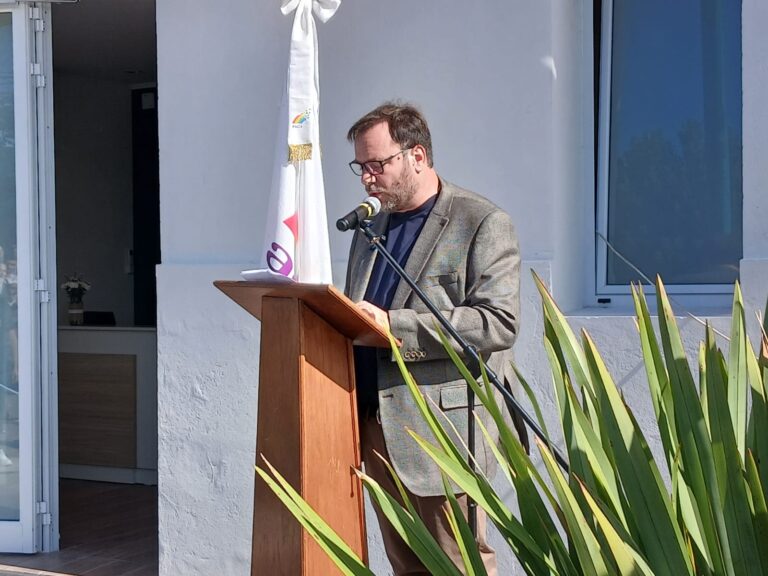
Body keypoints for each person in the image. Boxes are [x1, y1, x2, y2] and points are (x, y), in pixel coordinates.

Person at [343, 102, 527, 575]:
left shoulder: (480, 222)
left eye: (376, 165)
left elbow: (498, 323)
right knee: (404, 563)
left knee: (456, 564)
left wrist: (395, 327)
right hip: (374, 425)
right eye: (360, 167)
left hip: (441, 434)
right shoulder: (369, 229)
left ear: (417, 155)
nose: (367, 178)